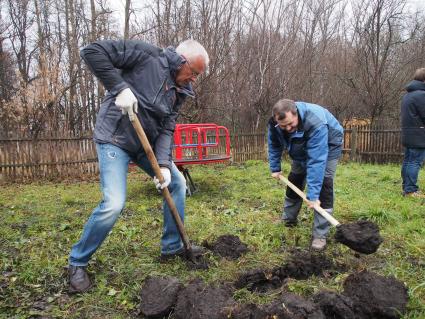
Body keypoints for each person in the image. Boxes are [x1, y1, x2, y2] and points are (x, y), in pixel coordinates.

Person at [68, 39, 209, 293]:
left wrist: (164, 164)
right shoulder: (146, 56)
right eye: (194, 73)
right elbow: (91, 52)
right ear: (182, 61)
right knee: (114, 203)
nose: (194, 79)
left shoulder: (181, 90)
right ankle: (77, 262)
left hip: (146, 145)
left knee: (177, 182)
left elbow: (167, 127)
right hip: (115, 138)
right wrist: (120, 88)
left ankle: (172, 247)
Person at [268, 99, 343, 251]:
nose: (288, 128)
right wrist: (275, 167)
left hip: (328, 144)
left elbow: (317, 160)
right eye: (284, 126)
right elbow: (274, 144)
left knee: (324, 186)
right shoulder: (274, 124)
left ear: (296, 113)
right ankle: (289, 219)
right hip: (299, 145)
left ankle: (319, 235)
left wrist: (313, 195)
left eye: (291, 124)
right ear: (276, 120)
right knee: (295, 180)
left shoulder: (316, 122)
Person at [401, 68, 425, 198]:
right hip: (419, 134)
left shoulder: (408, 95)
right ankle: (410, 190)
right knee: (415, 162)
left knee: (408, 160)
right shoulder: (421, 95)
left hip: (409, 133)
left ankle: (406, 187)